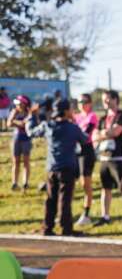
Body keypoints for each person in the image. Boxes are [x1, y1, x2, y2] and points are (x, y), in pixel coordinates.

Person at [27, 99, 87, 236]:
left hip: (51, 168)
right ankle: (66, 228)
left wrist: (31, 116)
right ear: (66, 111)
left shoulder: (48, 125)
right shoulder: (72, 128)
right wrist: (75, 121)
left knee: (51, 198)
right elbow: (84, 139)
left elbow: (31, 132)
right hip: (67, 167)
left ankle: (47, 227)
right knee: (65, 199)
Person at [93, 90, 122, 227]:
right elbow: (94, 136)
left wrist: (103, 133)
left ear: (116, 100)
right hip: (104, 158)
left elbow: (116, 132)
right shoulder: (103, 119)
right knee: (105, 188)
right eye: (104, 99)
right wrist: (105, 133)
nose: (105, 102)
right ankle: (105, 216)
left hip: (119, 158)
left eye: (108, 99)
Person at [74, 93, 99, 226]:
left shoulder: (92, 116)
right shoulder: (76, 117)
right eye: (79, 102)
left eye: (85, 101)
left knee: (85, 183)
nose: (82, 104)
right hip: (75, 151)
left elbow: (86, 133)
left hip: (86, 151)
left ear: (90, 103)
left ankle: (86, 213)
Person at [8, 95, 35, 191]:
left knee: (26, 162)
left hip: (26, 140)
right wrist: (20, 123)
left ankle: (25, 183)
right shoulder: (14, 111)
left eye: (19, 103)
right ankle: (14, 183)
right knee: (16, 162)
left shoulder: (29, 113)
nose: (18, 105)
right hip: (16, 139)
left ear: (24, 104)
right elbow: (9, 123)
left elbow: (30, 123)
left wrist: (17, 122)